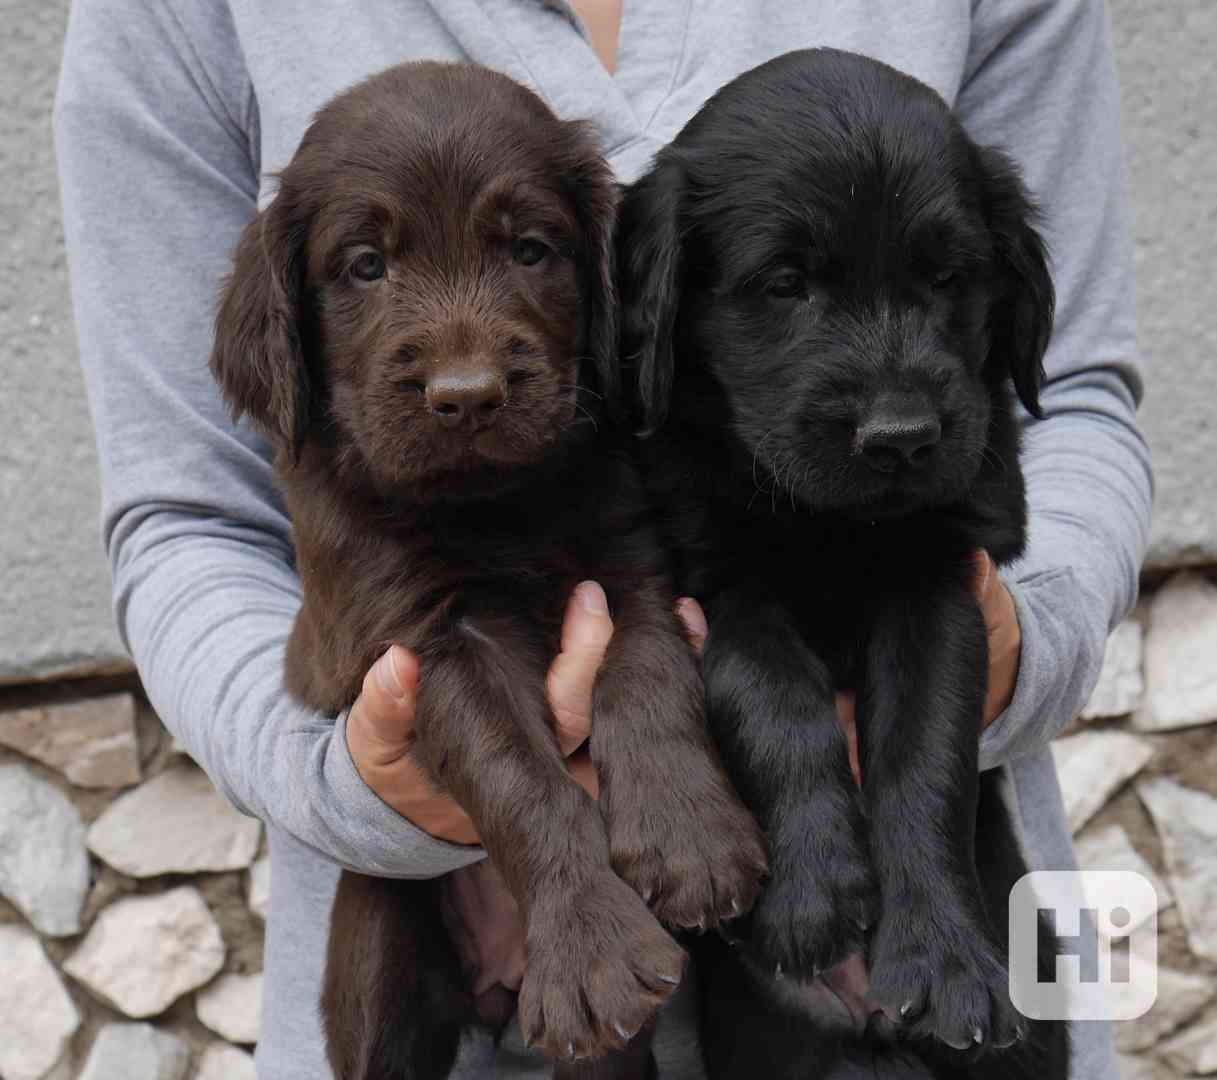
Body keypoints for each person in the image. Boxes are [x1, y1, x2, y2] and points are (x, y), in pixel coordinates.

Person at [54, 1, 1150, 1077]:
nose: (463, 364)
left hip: (964, 934)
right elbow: (182, 519)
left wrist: (1018, 642)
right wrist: (360, 792)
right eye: (368, 266)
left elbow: (1073, 394)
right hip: (445, 990)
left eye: (529, 248)